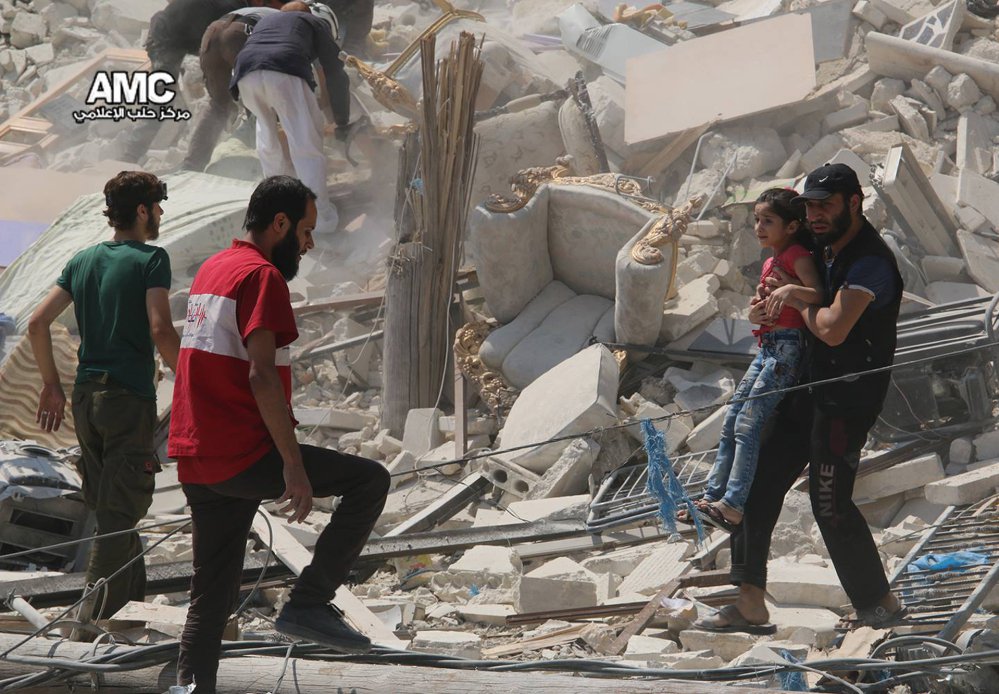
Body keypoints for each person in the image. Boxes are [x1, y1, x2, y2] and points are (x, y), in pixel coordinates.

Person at [169, 176, 389, 693]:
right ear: (280, 224)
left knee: (211, 591)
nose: (309, 245)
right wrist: (292, 467)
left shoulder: (212, 269)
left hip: (197, 457)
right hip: (241, 453)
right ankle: (310, 603)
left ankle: (191, 685)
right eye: (306, 231)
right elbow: (261, 375)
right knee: (369, 482)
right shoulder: (262, 276)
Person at [696, 163, 905, 635]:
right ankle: (749, 603)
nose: (815, 214)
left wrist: (796, 300)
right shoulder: (820, 247)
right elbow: (787, 290)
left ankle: (880, 604)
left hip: (845, 401)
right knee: (755, 483)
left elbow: (832, 329)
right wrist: (770, 300)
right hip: (803, 388)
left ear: (854, 202)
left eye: (825, 205)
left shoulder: (869, 260)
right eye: (809, 205)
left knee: (830, 503)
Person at [27, 171, 179, 622]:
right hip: (127, 400)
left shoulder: (83, 260)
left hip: (85, 399)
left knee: (113, 506)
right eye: (156, 206)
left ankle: (130, 611)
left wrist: (51, 384)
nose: (160, 215)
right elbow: (160, 328)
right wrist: (192, 379)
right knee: (118, 513)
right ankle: (86, 626)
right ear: (140, 210)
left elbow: (36, 324)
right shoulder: (152, 260)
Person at [688, 188, 822, 533]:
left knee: (749, 423)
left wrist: (790, 289)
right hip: (767, 345)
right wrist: (756, 311)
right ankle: (710, 498)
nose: (759, 227)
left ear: (792, 226)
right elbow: (763, 306)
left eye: (768, 221)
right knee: (733, 418)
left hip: (787, 348)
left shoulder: (797, 255)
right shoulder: (769, 261)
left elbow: (820, 295)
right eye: (757, 220)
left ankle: (732, 505)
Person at [231, 1, 351, 233]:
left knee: (267, 141)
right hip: (284, 68)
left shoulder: (265, 23)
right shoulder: (313, 21)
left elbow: (252, 52)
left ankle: (274, 212)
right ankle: (319, 220)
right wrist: (342, 120)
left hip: (245, 73)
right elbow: (335, 70)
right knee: (306, 146)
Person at [122, 0, 287, 164]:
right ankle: (130, 155)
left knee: (221, 102)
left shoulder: (234, 7)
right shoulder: (235, 8)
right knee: (163, 99)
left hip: (183, 34)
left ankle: (193, 163)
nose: (269, 8)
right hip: (168, 37)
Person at [181, 3, 285, 172]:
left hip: (213, 32)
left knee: (218, 105)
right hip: (240, 35)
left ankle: (192, 165)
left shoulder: (273, 15)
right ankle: (266, 164)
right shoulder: (298, 24)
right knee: (263, 103)